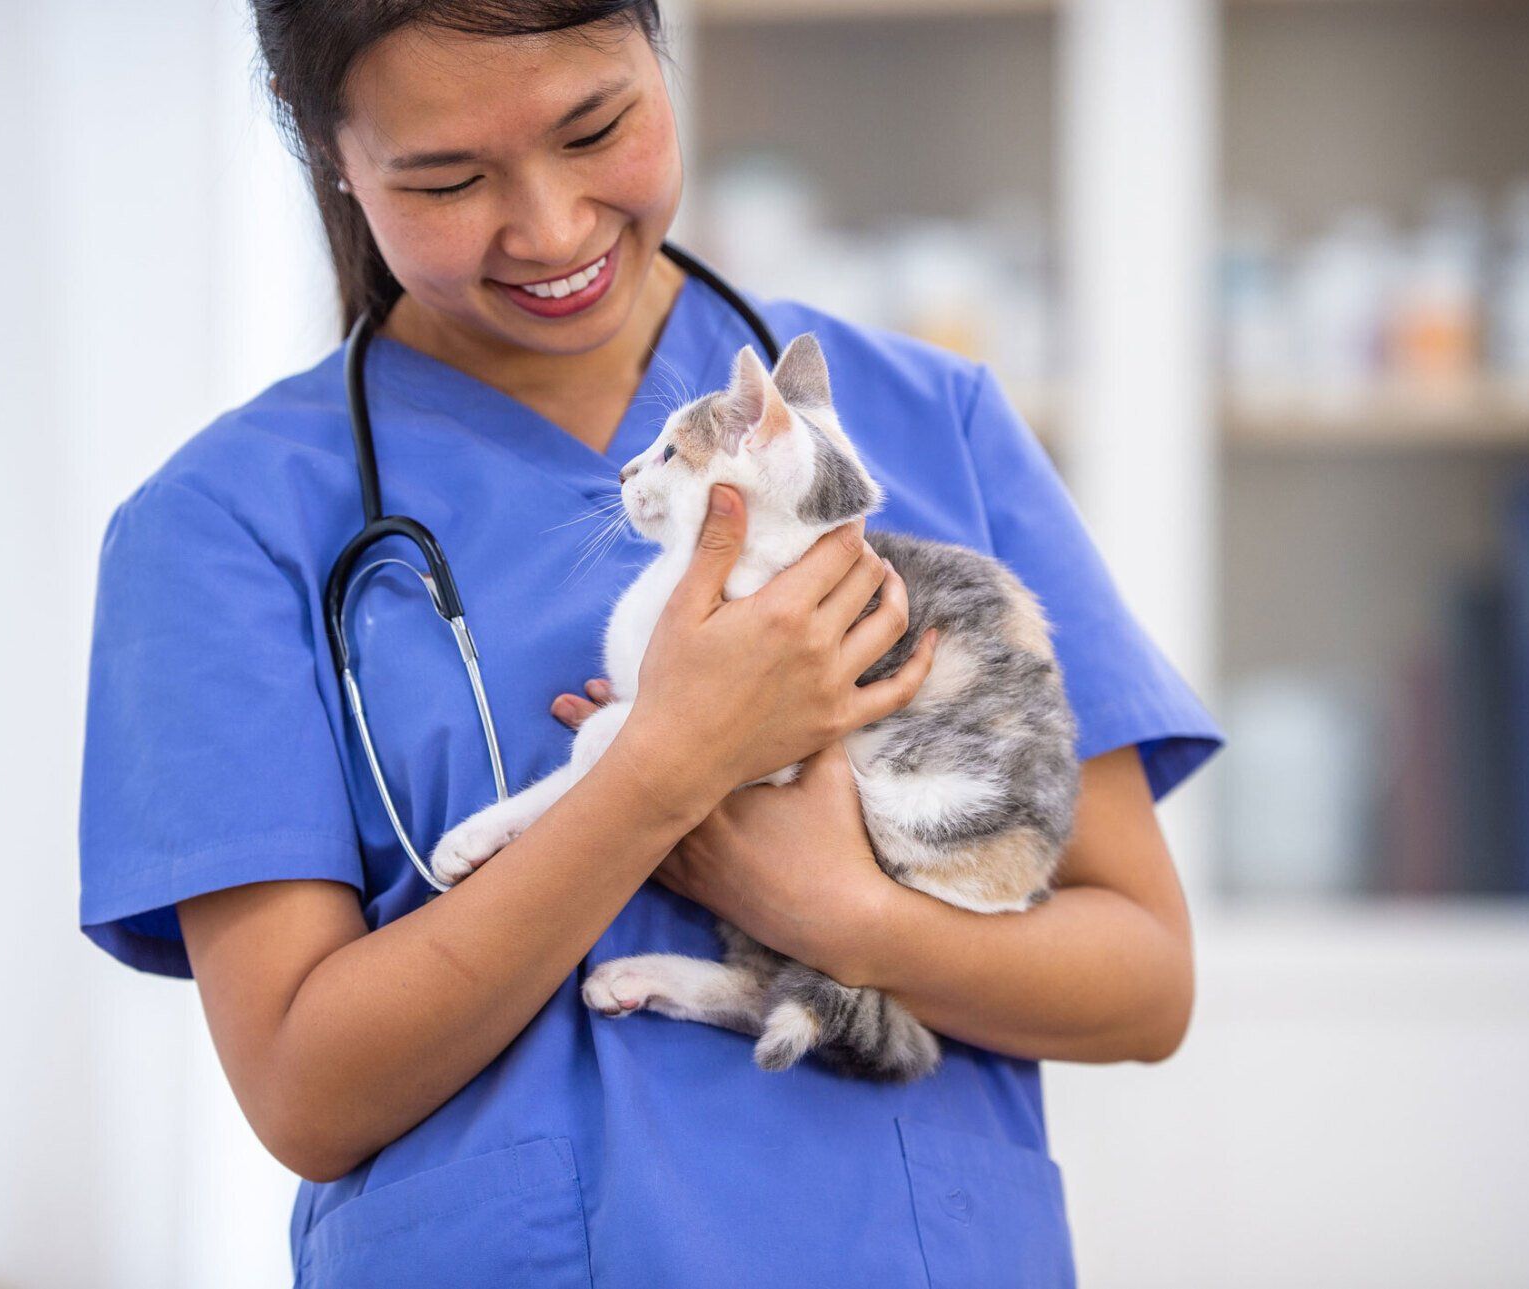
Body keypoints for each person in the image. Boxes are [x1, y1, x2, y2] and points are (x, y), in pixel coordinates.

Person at [76, 2, 1224, 1284]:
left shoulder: (924, 418)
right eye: (449, 176)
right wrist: (664, 767)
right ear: (329, 158)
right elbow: (306, 1089)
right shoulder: (225, 525)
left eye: (598, 125)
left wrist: (838, 910)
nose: (553, 228)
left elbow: (1142, 979)